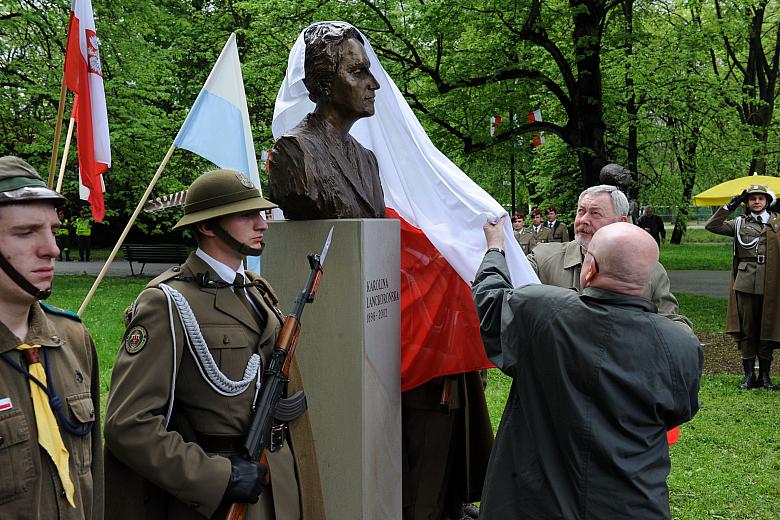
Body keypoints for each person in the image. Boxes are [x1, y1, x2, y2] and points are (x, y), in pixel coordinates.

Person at [103, 169, 323, 519]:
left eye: (261, 213)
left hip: (279, 480)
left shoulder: (257, 290)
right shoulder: (167, 302)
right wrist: (217, 478)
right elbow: (128, 424)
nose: (262, 223)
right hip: (219, 495)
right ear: (207, 226)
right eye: (247, 214)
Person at [472, 220, 703, 519]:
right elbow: (680, 411)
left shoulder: (541, 311)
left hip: (535, 502)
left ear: (590, 267)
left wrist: (494, 247)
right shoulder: (680, 345)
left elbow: (490, 300)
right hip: (633, 503)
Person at [0, 156, 102, 519]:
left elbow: (94, 479)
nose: (52, 249)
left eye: (53, 231)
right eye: (26, 233)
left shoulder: (73, 339)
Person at [528, 185, 690, 327]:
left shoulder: (649, 270)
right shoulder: (543, 258)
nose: (583, 220)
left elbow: (670, 323)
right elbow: (510, 294)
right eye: (581, 211)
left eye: (595, 213)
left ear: (621, 222)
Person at [269, 22, 386, 219]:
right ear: (324, 84)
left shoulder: (367, 159)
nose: (374, 84)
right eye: (357, 72)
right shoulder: (293, 152)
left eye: (368, 71)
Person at [705, 185, 779, 389]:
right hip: (746, 282)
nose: (757, 202)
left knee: (767, 327)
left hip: (772, 282)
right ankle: (748, 375)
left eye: (761, 198)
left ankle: (764, 376)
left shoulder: (777, 223)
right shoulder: (738, 223)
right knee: (748, 328)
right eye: (752, 199)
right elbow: (712, 226)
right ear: (747, 202)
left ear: (767, 201)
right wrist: (730, 206)